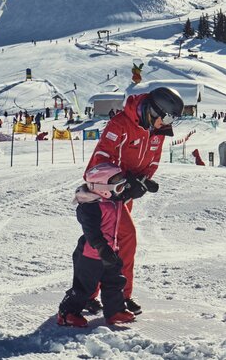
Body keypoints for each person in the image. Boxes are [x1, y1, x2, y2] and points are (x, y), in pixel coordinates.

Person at [83, 86, 184, 316]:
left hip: (123, 196)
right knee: (123, 239)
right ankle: (117, 296)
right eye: (167, 118)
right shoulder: (120, 124)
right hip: (103, 194)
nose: (167, 124)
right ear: (153, 111)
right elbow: (100, 160)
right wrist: (125, 181)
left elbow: (152, 162)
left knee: (106, 243)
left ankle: (92, 294)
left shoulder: (157, 131)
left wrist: (143, 181)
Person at [57, 163, 137, 328]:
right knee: (84, 287)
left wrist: (138, 186)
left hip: (110, 251)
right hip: (91, 255)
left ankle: (114, 312)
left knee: (114, 282)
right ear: (102, 188)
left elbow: (126, 193)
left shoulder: (111, 199)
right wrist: (102, 248)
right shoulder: (90, 207)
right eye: (118, 185)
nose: (121, 189)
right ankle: (67, 313)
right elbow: (91, 232)